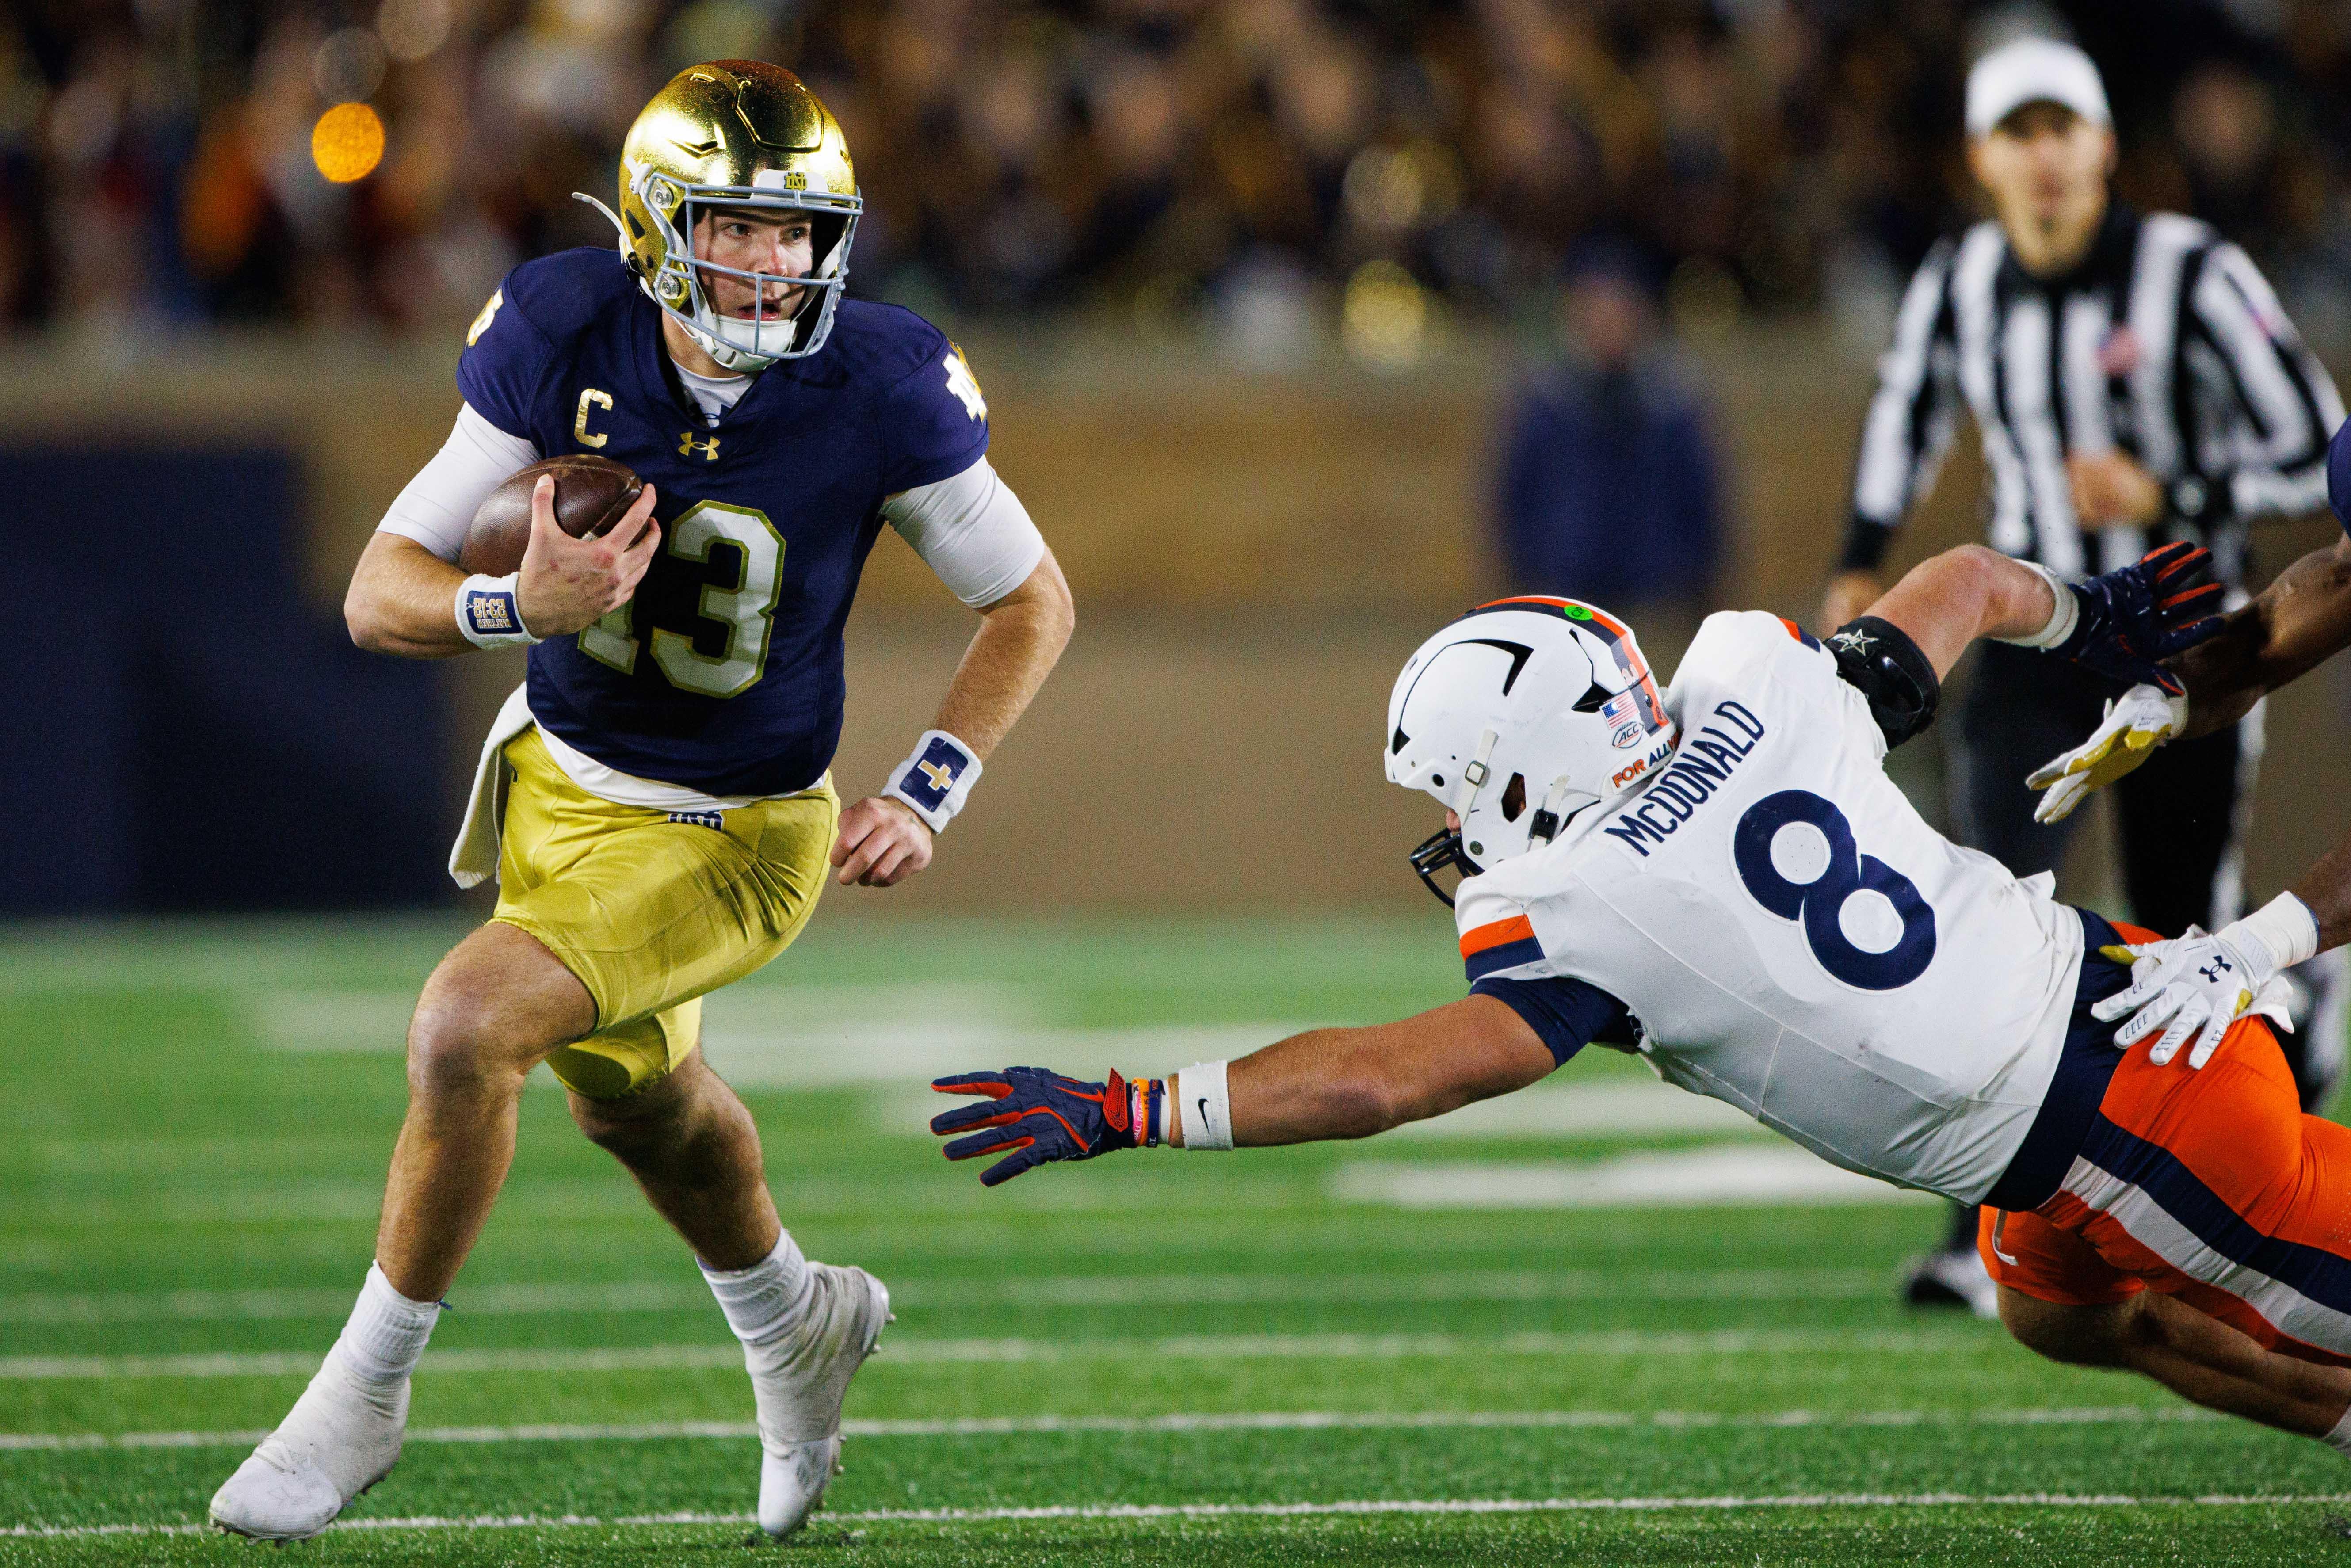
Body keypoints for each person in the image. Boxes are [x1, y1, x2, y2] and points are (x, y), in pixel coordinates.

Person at [927, 544, 2351, 1460]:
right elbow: (1971, 578)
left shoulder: (1578, 908)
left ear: (1516, 769)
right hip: (2121, 997)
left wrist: (1131, 1108)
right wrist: (2087, 615)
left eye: (1453, 794)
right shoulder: (1748, 677)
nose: (1452, 830)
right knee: (2046, 1309)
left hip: (2127, 1122)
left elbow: (1384, 1080)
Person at [206, 61, 1075, 1543]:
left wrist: (932, 788)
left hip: (739, 829)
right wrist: (513, 602)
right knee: (647, 1110)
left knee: (468, 1025)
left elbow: (1030, 601)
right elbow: (377, 589)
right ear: (663, 226)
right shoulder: (563, 324)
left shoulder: (877, 378)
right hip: (555, 780)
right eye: (740, 228)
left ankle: (362, 1392)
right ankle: (795, 1318)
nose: (777, 262)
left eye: (800, 232)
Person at [1817, 36, 2345, 1312]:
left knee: (2181, 936)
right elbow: (2310, 591)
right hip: (2047, 640)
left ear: (2104, 145)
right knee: (1986, 913)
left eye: (2065, 129)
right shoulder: (1960, 280)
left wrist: (2171, 493)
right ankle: (1988, 1223)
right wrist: (1855, 565)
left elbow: (2306, 448)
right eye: (2017, 133)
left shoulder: (2191, 276)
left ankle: (2267, 1098)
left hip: (2175, 607)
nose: (2043, 157)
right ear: (1980, 158)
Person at [1493, 245, 1722, 608]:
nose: (1608, 327)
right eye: (1597, 314)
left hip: (1656, 593)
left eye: (1619, 315)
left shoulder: (1670, 403)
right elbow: (1516, 496)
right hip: (1565, 589)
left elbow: (1701, 500)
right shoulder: (1548, 402)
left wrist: (1692, 575)